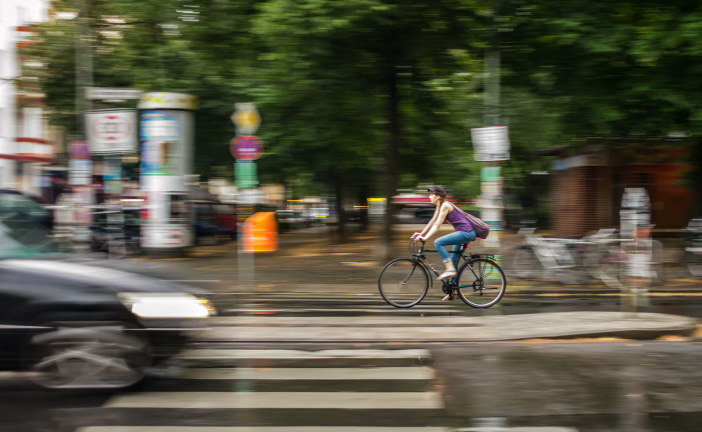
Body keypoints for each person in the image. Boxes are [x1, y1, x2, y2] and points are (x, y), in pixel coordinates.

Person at [411, 186, 476, 299]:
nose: (429, 196)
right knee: (454, 259)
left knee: (438, 242)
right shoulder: (440, 206)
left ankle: (449, 269)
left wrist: (426, 237)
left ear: (438, 196)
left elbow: (437, 225)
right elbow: (432, 221)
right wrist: (421, 234)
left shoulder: (445, 205)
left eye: (431, 194)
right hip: (463, 233)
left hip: (466, 233)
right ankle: (454, 292)